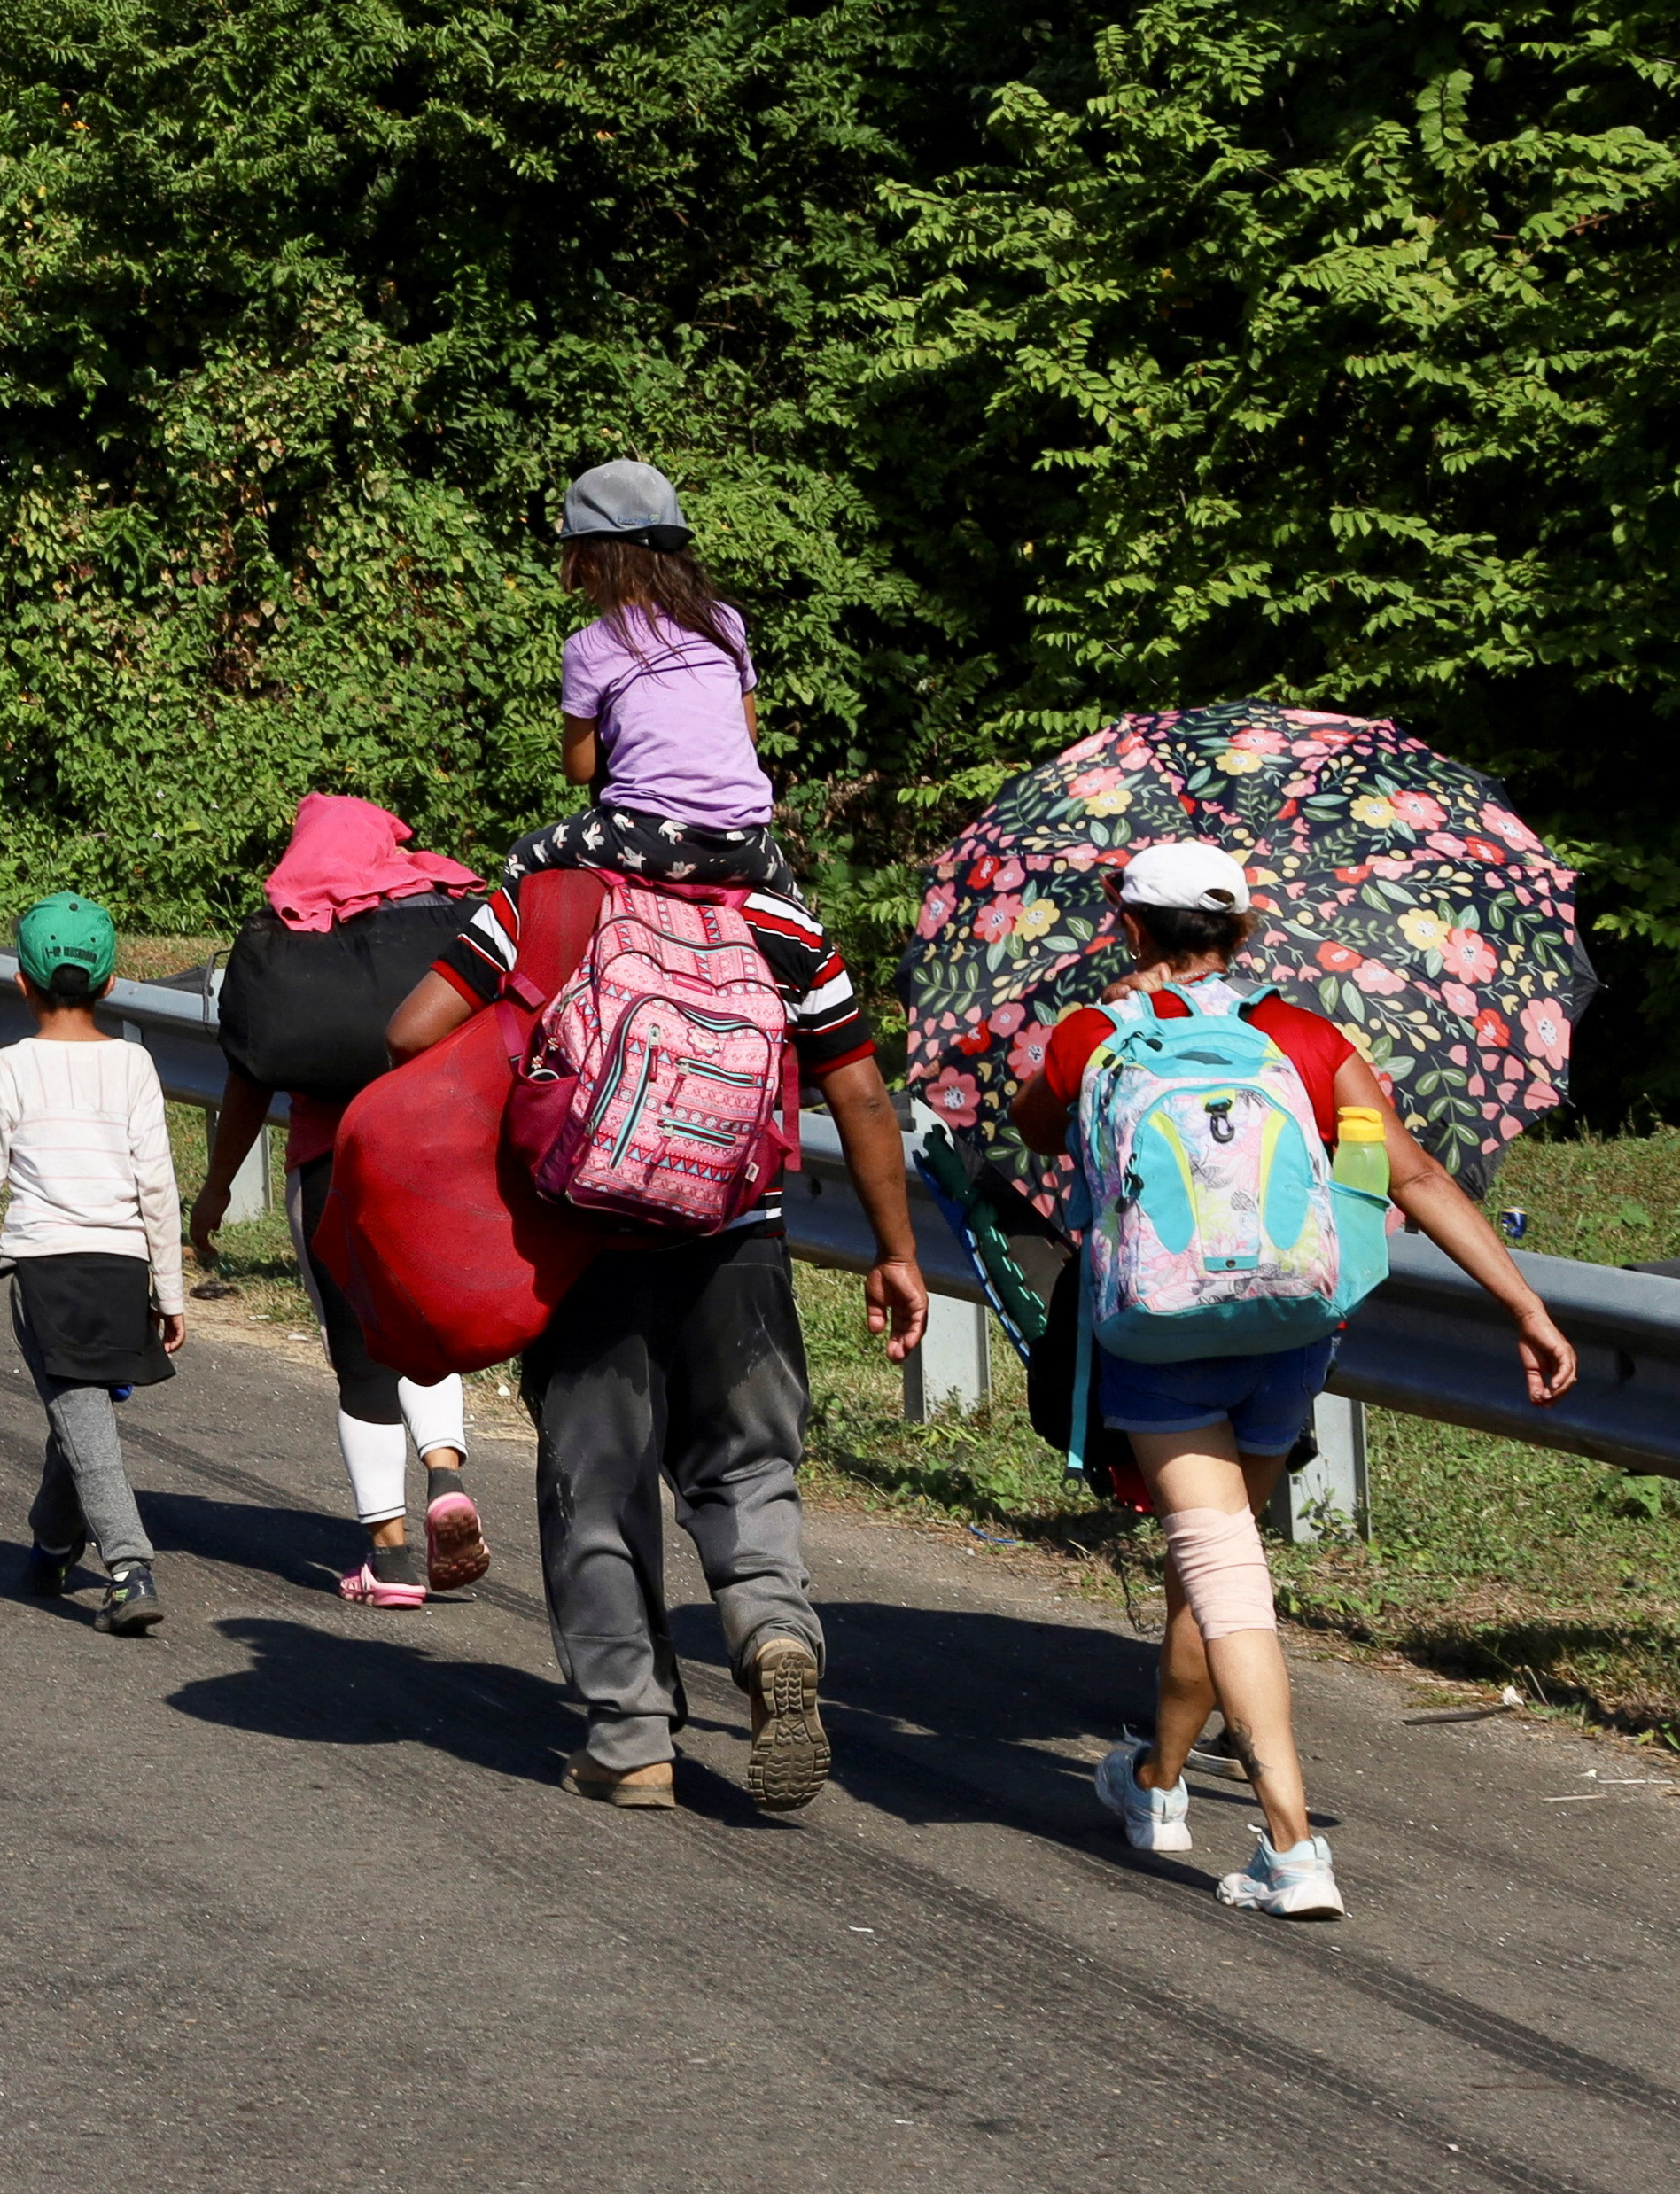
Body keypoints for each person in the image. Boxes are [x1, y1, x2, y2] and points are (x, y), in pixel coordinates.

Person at [1012, 841, 1577, 1917]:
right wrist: (1524, 1302)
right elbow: (1403, 1171)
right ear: (1245, 929)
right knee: (1210, 1565)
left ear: (1129, 923)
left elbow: (1037, 1130)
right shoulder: (1307, 1037)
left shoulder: (1097, 1032)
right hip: (1288, 1333)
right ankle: (1157, 1785)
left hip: (1160, 1332)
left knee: (1218, 1573)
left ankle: (1289, 1843)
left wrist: (1101, 1029)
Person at [385, 844, 929, 1813]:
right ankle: (773, 1632)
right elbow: (860, 1094)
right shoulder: (788, 926)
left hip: (588, 1245)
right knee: (748, 1467)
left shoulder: (547, 904)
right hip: (739, 1245)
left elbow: (411, 1032)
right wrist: (894, 1251)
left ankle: (630, 1739)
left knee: (596, 1488)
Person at [183, 794, 495, 1607]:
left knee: (360, 1358)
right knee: (424, 1335)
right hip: (431, 1163)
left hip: (330, 1167)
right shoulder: (442, 917)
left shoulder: (284, 940)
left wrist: (214, 1195)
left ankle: (389, 1561)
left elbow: (249, 1083)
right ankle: (446, 1480)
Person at [0, 896, 189, 1633]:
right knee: (78, 1408)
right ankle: (53, 1544)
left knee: (80, 1411)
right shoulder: (134, 1063)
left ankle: (128, 1564)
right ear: (112, 982)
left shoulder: (11, 1067)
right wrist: (170, 1289)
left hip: (45, 1265)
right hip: (122, 1265)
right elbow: (157, 1183)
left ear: (21, 982)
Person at [511, 460, 783, 888]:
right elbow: (749, 732)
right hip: (749, 844)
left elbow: (580, 770)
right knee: (797, 924)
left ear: (591, 561)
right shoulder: (725, 621)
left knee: (524, 858)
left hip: (649, 837)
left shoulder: (588, 647)